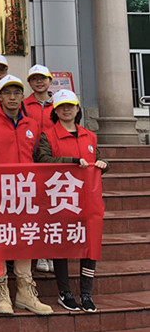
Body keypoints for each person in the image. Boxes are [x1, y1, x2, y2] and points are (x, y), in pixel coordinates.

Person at [0, 74, 53, 316]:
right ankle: (2, 292)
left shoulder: (32, 124)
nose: (12, 97)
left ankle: (25, 292)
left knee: (24, 240)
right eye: (7, 93)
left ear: (22, 96)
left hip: (26, 193)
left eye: (17, 92)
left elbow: (36, 157)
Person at [37, 89, 109, 313]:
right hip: (61, 198)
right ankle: (65, 292)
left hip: (88, 199)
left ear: (77, 109)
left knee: (90, 243)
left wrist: (104, 165)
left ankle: (86, 293)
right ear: (55, 111)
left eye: (70, 105)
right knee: (62, 244)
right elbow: (43, 160)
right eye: (61, 107)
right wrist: (72, 161)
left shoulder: (89, 136)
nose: (66, 110)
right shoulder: (48, 135)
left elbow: (98, 159)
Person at [22, 64, 55, 273]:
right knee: (35, 208)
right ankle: (40, 253)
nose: (39, 82)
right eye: (34, 79)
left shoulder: (60, 104)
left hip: (53, 161)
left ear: (50, 81)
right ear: (30, 83)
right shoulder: (24, 105)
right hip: (31, 161)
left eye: (43, 78)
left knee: (52, 208)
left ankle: (51, 252)